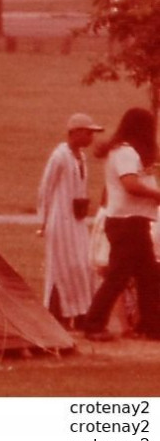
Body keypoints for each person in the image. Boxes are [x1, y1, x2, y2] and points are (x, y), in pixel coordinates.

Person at [80, 107, 160, 340]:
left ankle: (151, 325)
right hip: (128, 222)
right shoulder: (126, 153)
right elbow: (130, 185)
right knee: (118, 276)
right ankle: (93, 324)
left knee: (148, 274)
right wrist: (156, 195)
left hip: (134, 221)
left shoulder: (123, 151)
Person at [36, 112, 102, 327]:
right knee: (62, 267)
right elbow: (46, 188)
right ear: (75, 133)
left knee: (83, 265)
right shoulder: (60, 156)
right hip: (60, 220)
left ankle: (82, 312)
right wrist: (43, 221)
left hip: (77, 219)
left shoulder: (81, 157)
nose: (91, 137)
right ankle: (59, 315)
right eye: (88, 133)